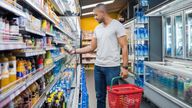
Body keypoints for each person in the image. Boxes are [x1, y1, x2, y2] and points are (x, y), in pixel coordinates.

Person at [71, 3, 129, 108]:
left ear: (103, 13)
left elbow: (124, 46)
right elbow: (91, 47)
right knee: (99, 96)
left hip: (112, 67)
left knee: (114, 97)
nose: (95, 17)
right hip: (98, 67)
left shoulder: (117, 25)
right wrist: (75, 51)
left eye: (96, 15)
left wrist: (125, 67)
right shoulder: (97, 28)